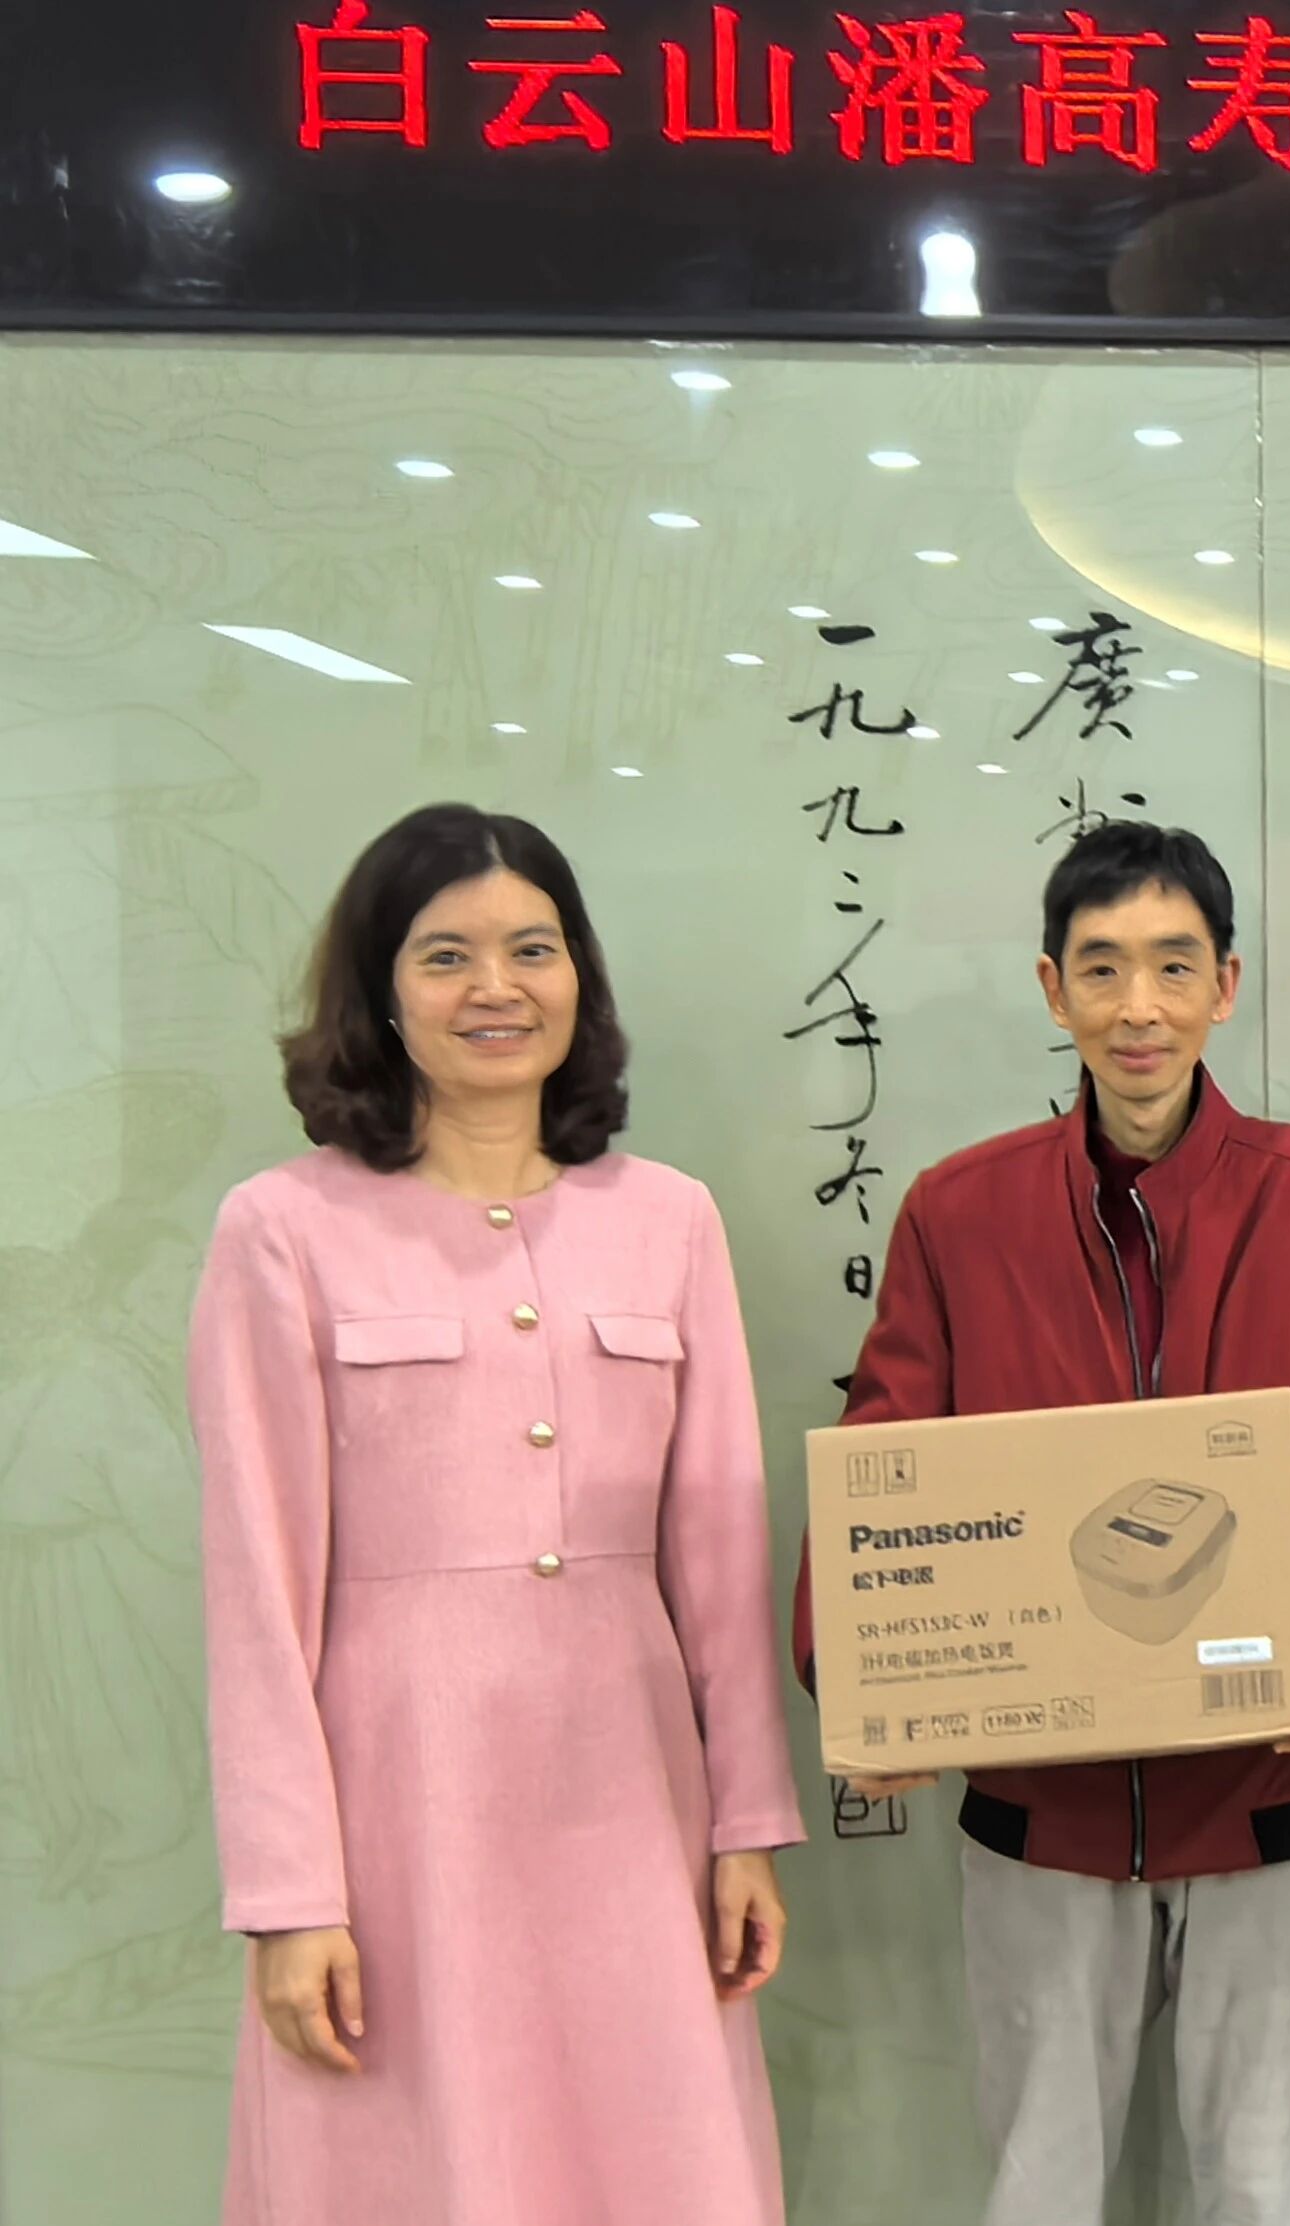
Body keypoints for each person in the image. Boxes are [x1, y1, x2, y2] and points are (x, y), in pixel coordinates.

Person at [791, 821, 1290, 2226]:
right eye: (1101, 968)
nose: (1138, 1006)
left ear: (1227, 984)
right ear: (1053, 990)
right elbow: (883, 1454)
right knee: (1035, 2187)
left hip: (1268, 1789)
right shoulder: (958, 1214)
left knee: (1257, 2189)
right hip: (1040, 1801)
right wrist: (853, 1671)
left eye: (1173, 965)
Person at [191, 804, 800, 2226]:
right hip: (400, 1809)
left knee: (653, 2156)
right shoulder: (281, 1229)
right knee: (422, 2160)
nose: (496, 988)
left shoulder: (672, 1218)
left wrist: (747, 1824)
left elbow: (720, 1560)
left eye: (533, 948)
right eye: (445, 954)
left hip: (635, 1799)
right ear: (380, 989)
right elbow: (254, 1588)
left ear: (579, 975)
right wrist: (288, 1894)